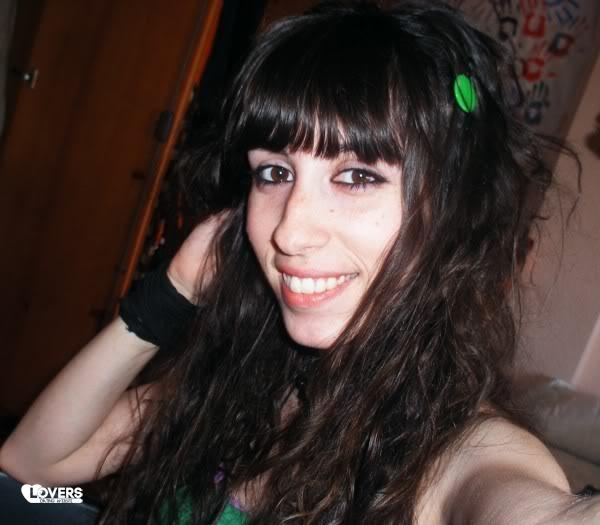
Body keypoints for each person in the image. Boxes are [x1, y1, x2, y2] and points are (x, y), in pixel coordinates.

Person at [0, 1, 598, 523]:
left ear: (450, 217)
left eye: (358, 176)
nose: (289, 229)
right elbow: (35, 474)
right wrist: (169, 295)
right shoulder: (249, 380)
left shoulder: (459, 454)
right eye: (275, 172)